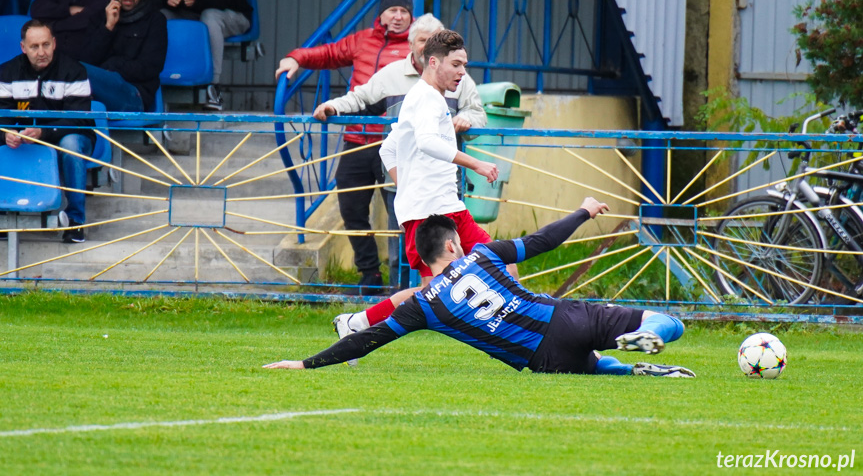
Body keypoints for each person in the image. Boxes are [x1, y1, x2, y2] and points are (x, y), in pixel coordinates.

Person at [263, 199, 696, 378]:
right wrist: (582, 211)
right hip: (562, 318)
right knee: (670, 322)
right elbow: (542, 241)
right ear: (453, 244)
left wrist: (304, 364)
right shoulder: (483, 255)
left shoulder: (423, 304)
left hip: (541, 359)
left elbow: (367, 341)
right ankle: (653, 334)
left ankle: (632, 368)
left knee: (593, 365)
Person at [329, 29, 503, 365]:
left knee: (499, 260)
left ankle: (526, 326)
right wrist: (476, 163)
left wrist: (405, 186)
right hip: (429, 213)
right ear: (434, 62)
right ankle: (357, 323)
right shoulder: (427, 98)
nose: (462, 72)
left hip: (446, 207)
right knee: (434, 293)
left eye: (464, 65)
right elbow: (426, 142)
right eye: (456, 64)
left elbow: (389, 148)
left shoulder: (427, 96)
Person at [311, 13, 487, 290]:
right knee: (430, 276)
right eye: (423, 40)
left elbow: (477, 114)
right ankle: (376, 287)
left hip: (442, 191)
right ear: (415, 46)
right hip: (405, 180)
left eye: (435, 40)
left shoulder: (456, 79)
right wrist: (335, 106)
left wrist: (467, 120)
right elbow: (362, 98)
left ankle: (380, 312)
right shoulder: (402, 81)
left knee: (444, 277)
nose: (429, 44)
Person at [278, 0, 414, 292]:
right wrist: (295, 58)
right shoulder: (363, 40)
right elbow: (327, 54)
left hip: (393, 145)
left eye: (404, 11)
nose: (398, 17)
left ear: (411, 16)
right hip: (355, 140)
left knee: (401, 215)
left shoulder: (415, 50)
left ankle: (404, 283)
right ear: (381, 13)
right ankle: (370, 278)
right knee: (352, 210)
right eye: (392, 10)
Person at [0, 20, 95, 244]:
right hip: (23, 137)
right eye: (34, 47)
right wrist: (5, 134)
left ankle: (75, 222)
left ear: (54, 43)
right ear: (23, 47)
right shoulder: (6, 72)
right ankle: (2, 214)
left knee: (71, 144)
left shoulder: (74, 71)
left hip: (68, 134)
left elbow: (79, 120)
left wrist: (44, 132)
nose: (41, 52)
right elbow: (1, 117)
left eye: (46, 45)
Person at [78, 0, 167, 112]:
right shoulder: (100, 17)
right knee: (70, 68)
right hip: (98, 91)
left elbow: (150, 67)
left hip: (135, 94)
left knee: (78, 71)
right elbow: (88, 58)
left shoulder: (155, 20)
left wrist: (112, 67)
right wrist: (108, 27)